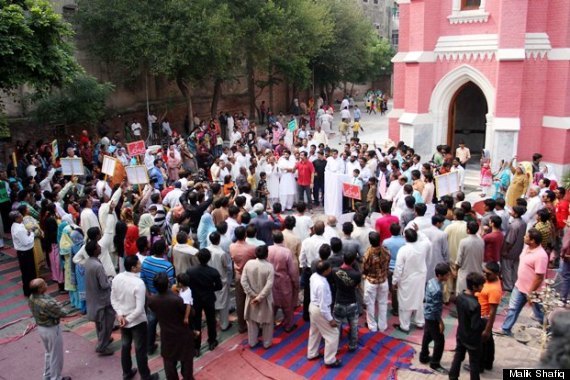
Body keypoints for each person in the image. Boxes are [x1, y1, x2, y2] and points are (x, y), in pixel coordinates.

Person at [111, 256, 158, 380]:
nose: (140, 265)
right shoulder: (139, 283)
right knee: (140, 350)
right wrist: (125, 318)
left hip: (124, 319)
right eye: (138, 263)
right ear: (133, 268)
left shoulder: (117, 278)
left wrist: (120, 315)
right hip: (136, 321)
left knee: (125, 346)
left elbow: (113, 299)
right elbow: (139, 308)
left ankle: (126, 373)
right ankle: (145, 376)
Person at [499, 229, 549, 336]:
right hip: (519, 286)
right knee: (513, 309)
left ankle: (550, 330)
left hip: (534, 291)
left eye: (526, 236)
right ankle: (505, 329)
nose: (524, 237)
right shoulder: (526, 248)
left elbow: (539, 277)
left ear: (533, 241)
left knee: (539, 313)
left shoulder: (541, 256)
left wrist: (531, 293)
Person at [148, 272, 195, 380]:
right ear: (168, 283)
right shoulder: (176, 299)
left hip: (167, 336)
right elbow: (191, 313)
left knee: (169, 366)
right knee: (187, 367)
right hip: (182, 335)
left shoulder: (152, 300)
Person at [28, 278, 72, 380]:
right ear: (40, 289)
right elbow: (63, 312)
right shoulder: (47, 303)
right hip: (51, 329)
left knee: (49, 353)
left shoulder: (32, 297)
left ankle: (47, 375)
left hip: (41, 328)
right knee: (56, 355)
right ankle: (56, 378)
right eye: (44, 284)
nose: (46, 284)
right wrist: (58, 305)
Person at [140, 239, 175, 354]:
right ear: (164, 250)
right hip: (165, 299)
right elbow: (170, 285)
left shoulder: (145, 261)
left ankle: (149, 347)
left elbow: (143, 280)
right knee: (166, 324)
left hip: (152, 298)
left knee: (152, 323)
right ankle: (167, 348)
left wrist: (149, 295)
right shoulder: (168, 266)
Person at [186, 248, 223, 353]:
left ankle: (196, 347)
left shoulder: (190, 271)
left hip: (196, 299)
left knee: (196, 322)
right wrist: (210, 289)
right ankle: (212, 341)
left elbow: (188, 285)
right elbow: (219, 286)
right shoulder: (213, 272)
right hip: (209, 298)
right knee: (211, 320)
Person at [392, 229, 428, 333]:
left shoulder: (403, 250)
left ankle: (404, 326)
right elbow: (427, 240)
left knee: (405, 302)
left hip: (407, 279)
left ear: (405, 238)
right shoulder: (423, 246)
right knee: (419, 299)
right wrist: (419, 231)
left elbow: (398, 268)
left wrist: (394, 281)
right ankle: (420, 322)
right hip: (420, 277)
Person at [84, 240, 115, 356]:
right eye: (97, 246)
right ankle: (102, 346)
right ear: (94, 250)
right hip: (102, 300)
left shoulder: (89, 262)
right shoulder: (97, 266)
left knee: (100, 323)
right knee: (107, 323)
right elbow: (104, 285)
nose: (100, 247)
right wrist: (111, 280)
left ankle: (103, 340)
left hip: (94, 298)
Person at [307, 261, 341, 368]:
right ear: (325, 271)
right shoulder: (322, 285)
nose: (331, 269)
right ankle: (330, 360)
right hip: (319, 310)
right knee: (333, 334)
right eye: (329, 268)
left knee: (315, 331)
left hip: (313, 306)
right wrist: (330, 319)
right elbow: (323, 307)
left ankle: (312, 353)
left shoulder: (314, 276)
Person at [419, 263, 452, 374]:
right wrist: (440, 322)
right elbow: (436, 309)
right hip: (433, 317)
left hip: (427, 314)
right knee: (439, 341)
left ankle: (423, 356)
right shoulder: (437, 290)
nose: (448, 277)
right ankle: (435, 363)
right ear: (440, 275)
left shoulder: (431, 282)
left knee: (427, 335)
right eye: (447, 275)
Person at [241, 245, 275, 348]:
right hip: (264, 299)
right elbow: (269, 286)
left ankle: (252, 342)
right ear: (266, 254)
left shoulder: (249, 264)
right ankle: (267, 343)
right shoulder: (269, 267)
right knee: (267, 323)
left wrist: (252, 295)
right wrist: (259, 298)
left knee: (251, 322)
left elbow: (243, 281)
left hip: (251, 298)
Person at [267, 231, 299, 332]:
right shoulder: (286, 252)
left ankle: (270, 324)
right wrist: (295, 283)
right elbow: (292, 271)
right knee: (287, 306)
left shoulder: (268, 249)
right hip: (284, 281)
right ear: (282, 239)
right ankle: (288, 326)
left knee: (273, 305)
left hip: (271, 280)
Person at [229, 226, 257, 333]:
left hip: (238, 275)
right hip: (249, 276)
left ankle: (242, 325)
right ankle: (253, 324)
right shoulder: (251, 248)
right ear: (245, 235)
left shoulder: (232, 246)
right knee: (252, 299)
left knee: (240, 301)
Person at [332, 251, 361, 352]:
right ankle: (352, 345)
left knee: (336, 326)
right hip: (352, 302)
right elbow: (356, 283)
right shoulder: (357, 275)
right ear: (353, 261)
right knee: (353, 326)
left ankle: (335, 346)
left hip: (339, 302)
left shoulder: (335, 271)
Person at [362, 231, 391, 332]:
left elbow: (364, 267)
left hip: (371, 281)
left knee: (370, 304)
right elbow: (388, 264)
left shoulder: (368, 253)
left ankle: (372, 326)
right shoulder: (386, 251)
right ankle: (382, 326)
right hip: (383, 280)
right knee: (383, 303)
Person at [299, 221, 328, 321]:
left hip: (309, 269)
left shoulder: (307, 241)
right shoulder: (326, 242)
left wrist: (303, 267)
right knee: (321, 293)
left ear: (314, 230)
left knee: (308, 293)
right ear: (323, 230)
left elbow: (302, 257)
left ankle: (306, 315)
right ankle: (320, 315)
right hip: (322, 270)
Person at [478, 262, 502, 373]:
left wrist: (487, 329)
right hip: (483, 316)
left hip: (484, 318)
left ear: (496, 274)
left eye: (488, 274)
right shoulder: (491, 281)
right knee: (488, 342)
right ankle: (488, 363)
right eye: (484, 272)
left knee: (482, 343)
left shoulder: (494, 290)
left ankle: (480, 366)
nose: (485, 275)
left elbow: (493, 312)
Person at [206, 232, 232, 331]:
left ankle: (214, 320)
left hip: (209, 279)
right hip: (221, 280)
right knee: (223, 304)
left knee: (213, 301)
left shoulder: (206, 250)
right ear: (218, 240)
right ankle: (224, 324)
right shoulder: (221, 253)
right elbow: (227, 266)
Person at [501, 206, 527, 291]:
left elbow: (509, 241)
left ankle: (508, 286)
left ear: (515, 213)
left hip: (511, 250)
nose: (510, 211)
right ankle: (515, 283)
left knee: (507, 268)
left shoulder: (514, 225)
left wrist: (505, 250)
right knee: (515, 268)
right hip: (518, 249)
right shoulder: (523, 222)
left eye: (512, 210)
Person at [11, 211, 36, 296]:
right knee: (29, 273)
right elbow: (26, 242)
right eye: (21, 216)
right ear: (17, 218)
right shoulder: (19, 229)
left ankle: (29, 290)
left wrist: (28, 233)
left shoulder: (16, 226)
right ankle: (30, 291)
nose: (22, 217)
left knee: (26, 272)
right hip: (25, 252)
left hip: (23, 252)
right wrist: (32, 233)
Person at [455, 222, 484, 295]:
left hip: (465, 273)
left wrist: (456, 270)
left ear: (468, 230)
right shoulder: (481, 241)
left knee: (463, 294)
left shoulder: (463, 242)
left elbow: (459, 260)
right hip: (477, 271)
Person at [383, 223, 406, 316]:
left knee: (393, 290)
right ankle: (402, 307)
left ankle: (396, 308)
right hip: (403, 267)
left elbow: (385, 256)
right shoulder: (405, 241)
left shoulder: (386, 242)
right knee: (403, 288)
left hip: (390, 268)